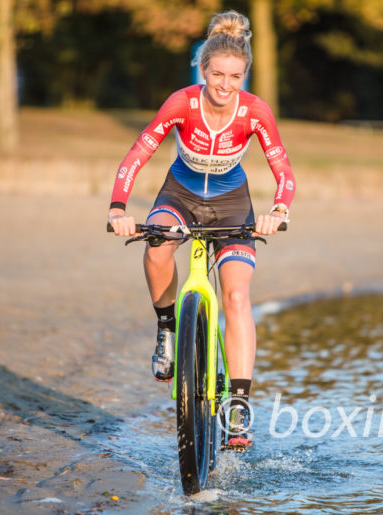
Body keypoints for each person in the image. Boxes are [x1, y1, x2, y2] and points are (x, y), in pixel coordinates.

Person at [107, 10, 295, 448]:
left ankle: (239, 408)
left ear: (245, 75)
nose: (225, 85)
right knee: (156, 247)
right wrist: (118, 208)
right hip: (180, 196)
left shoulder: (255, 111)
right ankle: (167, 329)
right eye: (217, 74)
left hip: (232, 207)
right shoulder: (181, 103)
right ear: (203, 70)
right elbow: (138, 153)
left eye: (235, 76)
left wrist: (279, 210)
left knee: (236, 296)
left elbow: (283, 169)